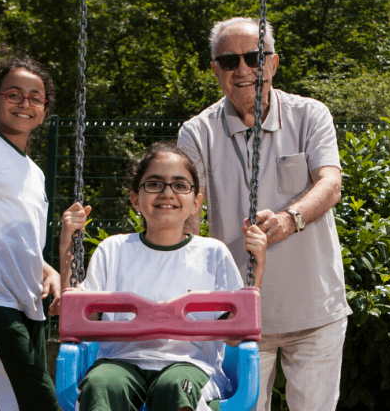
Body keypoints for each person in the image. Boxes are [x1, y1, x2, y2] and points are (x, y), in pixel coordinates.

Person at [177, 17, 352, 411]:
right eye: (229, 61)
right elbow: (189, 213)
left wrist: (289, 220)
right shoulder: (196, 132)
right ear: (215, 70)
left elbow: (331, 184)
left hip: (315, 310)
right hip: (238, 317)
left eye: (255, 57)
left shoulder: (311, 114)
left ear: (273, 62)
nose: (243, 70)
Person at [59, 142, 267, 411]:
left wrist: (257, 268)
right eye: (155, 184)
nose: (167, 193)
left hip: (191, 365)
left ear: (196, 202)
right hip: (121, 363)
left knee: (175, 386)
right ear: (136, 198)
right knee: (101, 384)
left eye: (180, 185)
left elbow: (235, 336)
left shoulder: (212, 253)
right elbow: (78, 320)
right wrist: (67, 246)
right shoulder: (113, 250)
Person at [0, 56, 61, 411]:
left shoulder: (34, 172)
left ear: (44, 110)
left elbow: (19, 238)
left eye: (36, 97)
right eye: (14, 94)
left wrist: (48, 271)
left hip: (25, 303)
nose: (25, 103)